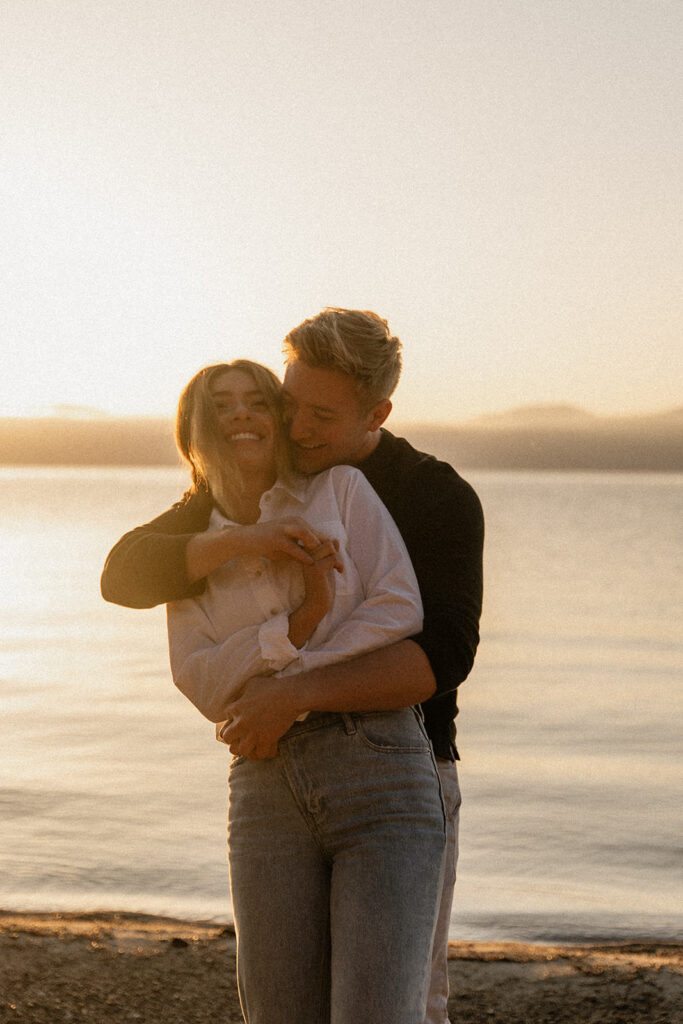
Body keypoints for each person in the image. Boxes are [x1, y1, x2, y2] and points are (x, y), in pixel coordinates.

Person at [101, 308, 484, 1024]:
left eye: (321, 414)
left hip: (405, 763)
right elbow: (125, 576)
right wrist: (242, 545)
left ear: (377, 412)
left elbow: (440, 654)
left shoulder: (431, 494)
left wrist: (287, 688)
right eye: (289, 404)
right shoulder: (242, 499)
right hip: (271, 772)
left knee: (406, 1006)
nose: (298, 427)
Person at [164, 358, 447, 1024]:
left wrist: (287, 683)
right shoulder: (191, 554)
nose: (241, 414)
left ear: (278, 421)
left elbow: (399, 608)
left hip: (379, 768)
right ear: (194, 430)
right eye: (221, 404)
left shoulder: (339, 493)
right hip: (264, 782)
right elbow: (201, 682)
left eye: (257, 401)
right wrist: (299, 622)